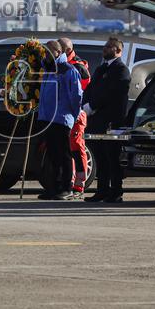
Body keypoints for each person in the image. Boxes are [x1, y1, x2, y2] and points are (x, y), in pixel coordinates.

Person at [82, 37, 131, 203]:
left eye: (109, 47)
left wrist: (92, 106)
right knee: (100, 157)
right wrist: (85, 104)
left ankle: (116, 191)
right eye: (105, 46)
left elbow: (111, 94)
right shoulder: (101, 68)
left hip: (112, 122)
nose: (105, 49)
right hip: (97, 120)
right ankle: (102, 190)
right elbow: (91, 88)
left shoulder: (121, 70)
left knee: (112, 157)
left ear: (118, 50)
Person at [36, 40, 84, 200]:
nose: (45, 55)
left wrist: (73, 115)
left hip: (61, 118)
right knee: (52, 154)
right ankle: (54, 187)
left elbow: (76, 95)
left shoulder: (67, 70)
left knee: (63, 153)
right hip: (47, 117)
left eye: (48, 51)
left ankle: (66, 187)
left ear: (57, 52)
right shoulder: (48, 69)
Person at [59, 37, 91, 196]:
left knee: (76, 147)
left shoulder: (78, 67)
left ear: (66, 50)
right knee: (66, 148)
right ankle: (68, 181)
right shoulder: (62, 66)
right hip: (63, 113)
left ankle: (79, 184)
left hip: (76, 113)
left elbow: (80, 94)